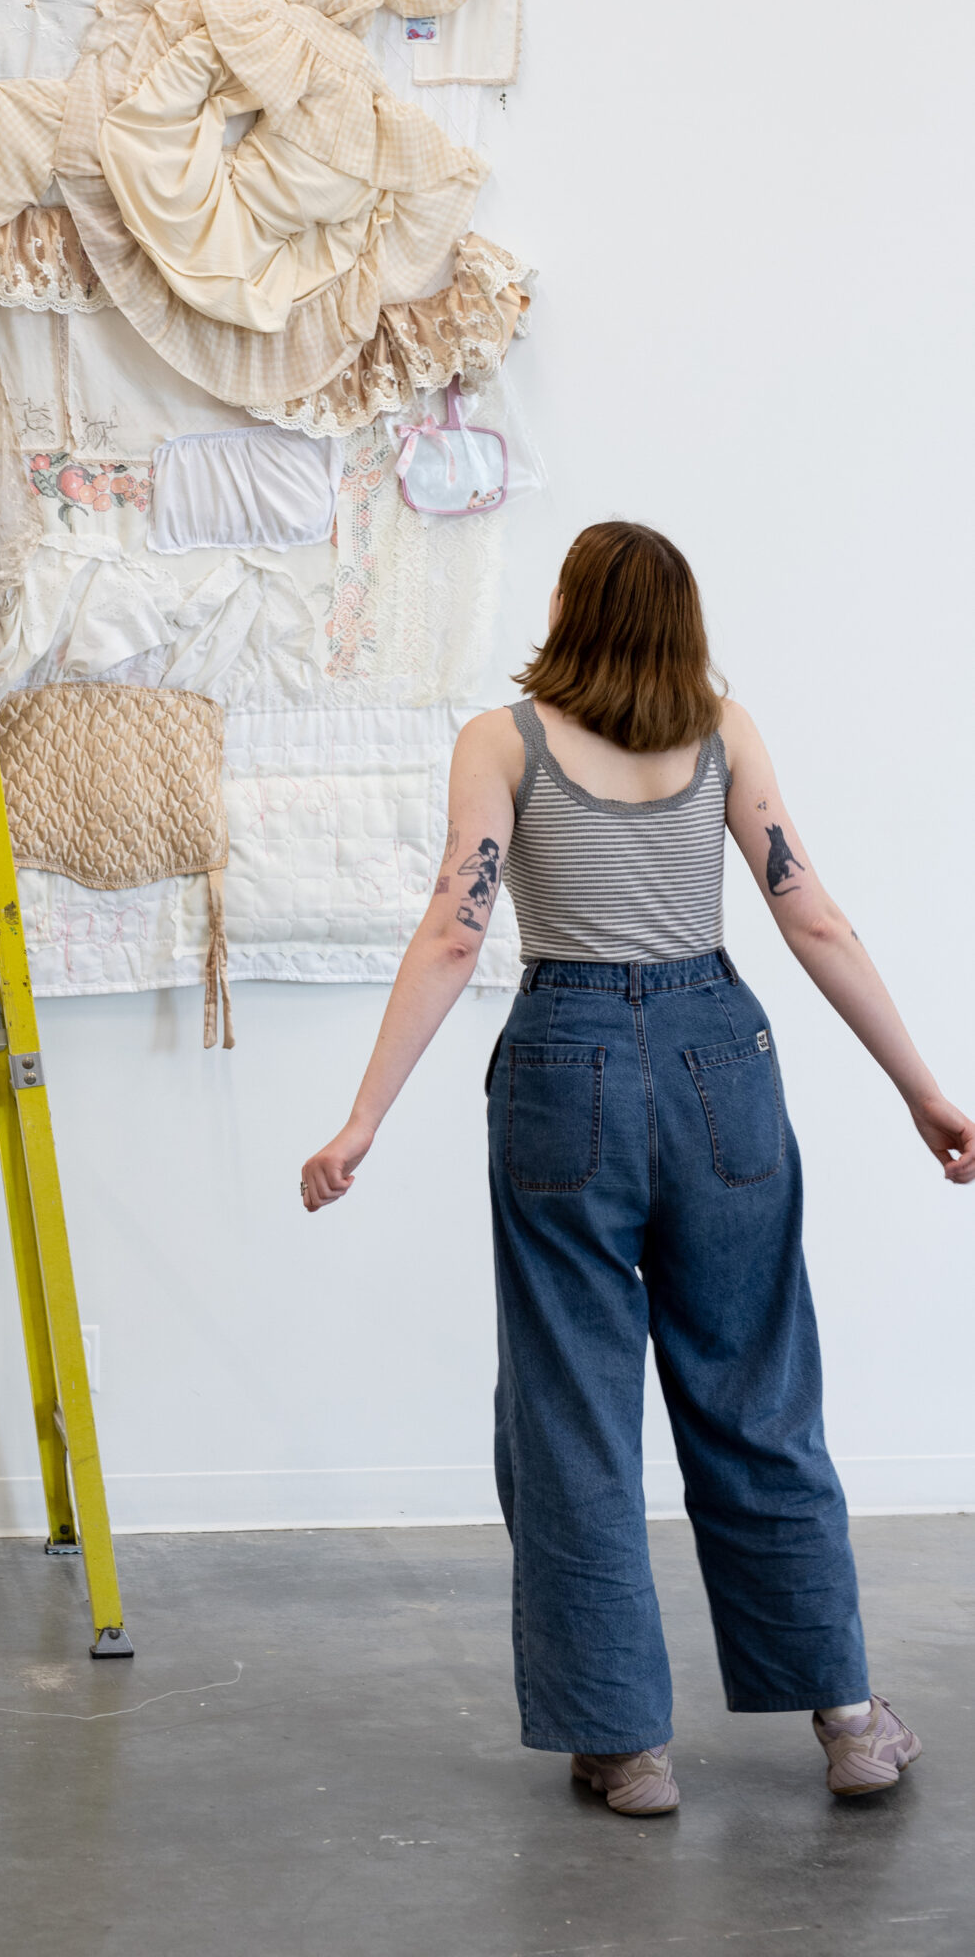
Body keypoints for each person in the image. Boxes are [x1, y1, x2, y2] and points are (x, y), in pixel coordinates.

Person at [300, 521, 971, 1814]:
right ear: (679, 619)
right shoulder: (723, 731)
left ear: (564, 605)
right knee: (754, 1392)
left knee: (570, 1409)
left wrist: (362, 1116)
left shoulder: (502, 740)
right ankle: (842, 1716)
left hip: (564, 1066)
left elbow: (455, 927)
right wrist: (920, 1089)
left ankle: (621, 1744)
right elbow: (804, 910)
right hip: (719, 1060)